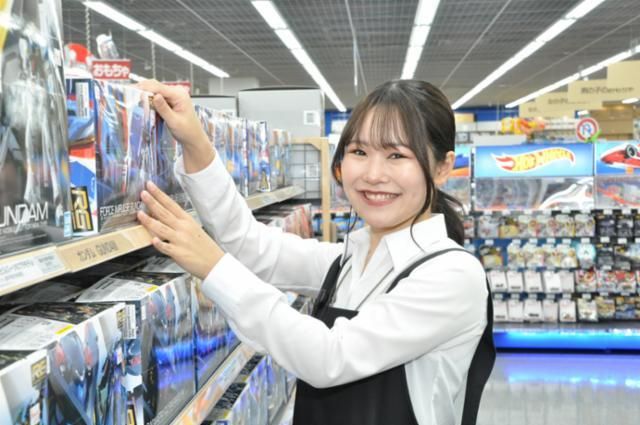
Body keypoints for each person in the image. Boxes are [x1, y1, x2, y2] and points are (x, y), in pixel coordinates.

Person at [136, 79, 495, 425]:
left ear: (442, 167)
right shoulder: (348, 260)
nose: (373, 174)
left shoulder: (452, 275)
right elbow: (249, 244)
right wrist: (195, 142)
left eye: (396, 155)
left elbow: (328, 358)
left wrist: (214, 267)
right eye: (359, 152)